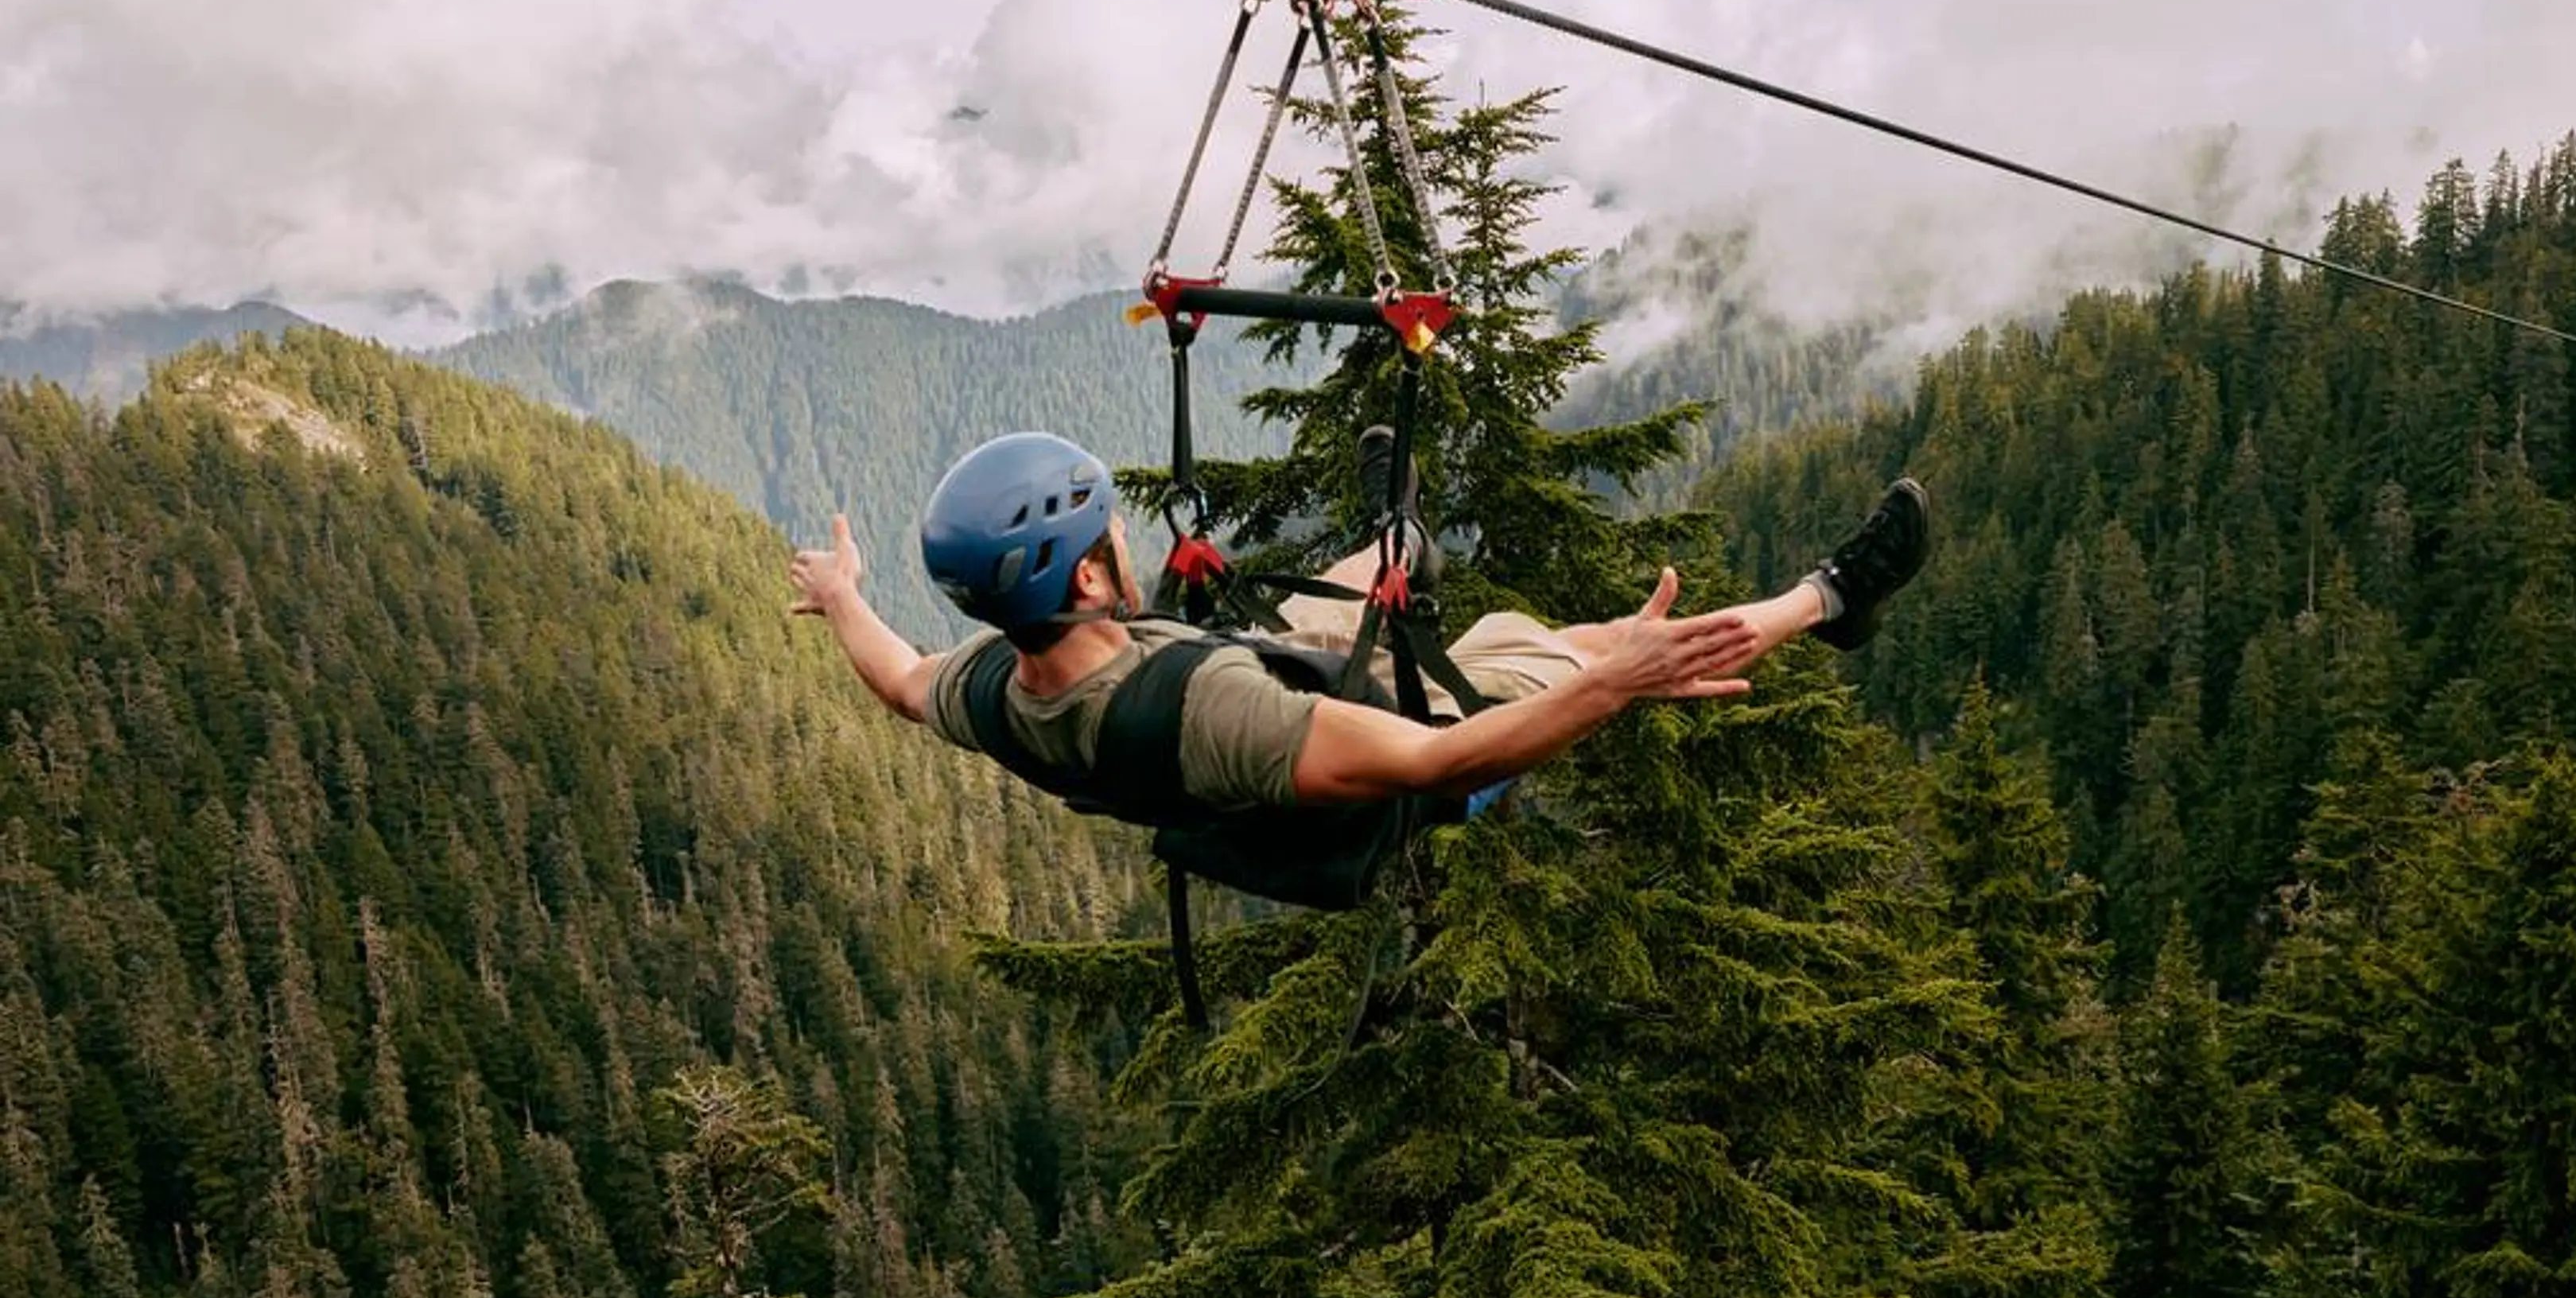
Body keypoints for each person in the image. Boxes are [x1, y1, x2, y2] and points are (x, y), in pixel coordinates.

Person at [785, 429, 1931, 820]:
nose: (1126, 541)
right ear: (1089, 584)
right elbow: (1437, 763)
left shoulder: (993, 687)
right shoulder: (1222, 714)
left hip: (1213, 685)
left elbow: (897, 679)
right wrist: (1610, 688)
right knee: (1593, 642)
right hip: (1366, 747)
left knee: (1329, 602)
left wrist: (843, 598)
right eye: (1109, 535)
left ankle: (1403, 541)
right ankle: (1830, 601)